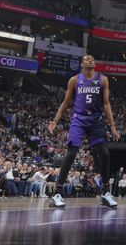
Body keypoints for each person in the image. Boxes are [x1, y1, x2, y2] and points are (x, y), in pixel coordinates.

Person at [48, 54, 120, 208]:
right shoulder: (74, 80)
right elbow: (66, 102)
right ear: (82, 64)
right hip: (79, 120)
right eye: (87, 59)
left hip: (96, 120)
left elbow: (106, 104)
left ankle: (106, 193)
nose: (90, 60)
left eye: (93, 59)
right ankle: (57, 194)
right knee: (72, 153)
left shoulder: (103, 79)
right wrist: (55, 121)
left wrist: (113, 126)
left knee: (105, 154)